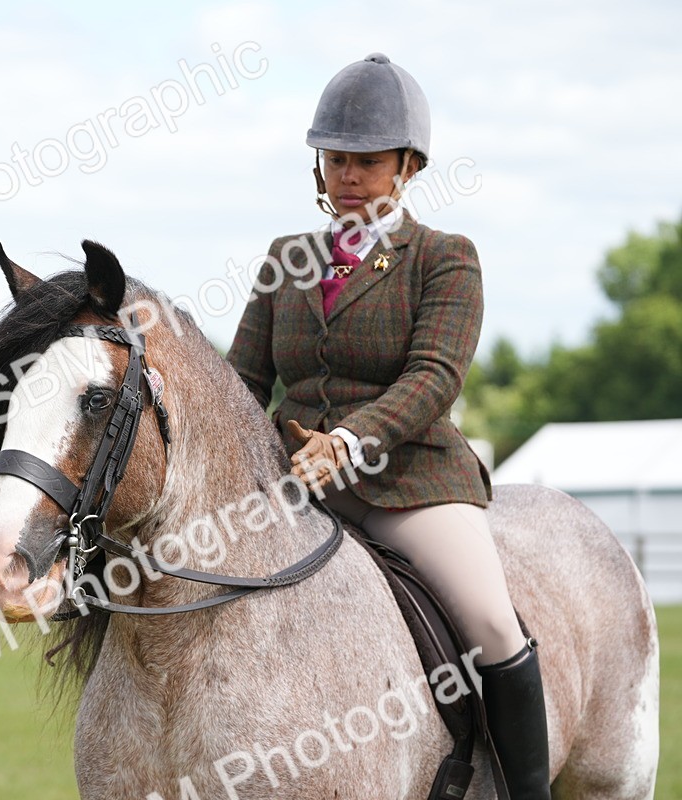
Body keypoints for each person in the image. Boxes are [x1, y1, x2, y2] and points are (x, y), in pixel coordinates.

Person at [226, 53, 549, 797]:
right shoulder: (286, 259)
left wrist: (347, 442)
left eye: (367, 162)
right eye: (336, 160)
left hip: (409, 483)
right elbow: (244, 380)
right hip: (298, 486)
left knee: (493, 626)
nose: (348, 177)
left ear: (406, 166)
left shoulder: (444, 258)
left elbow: (434, 378)